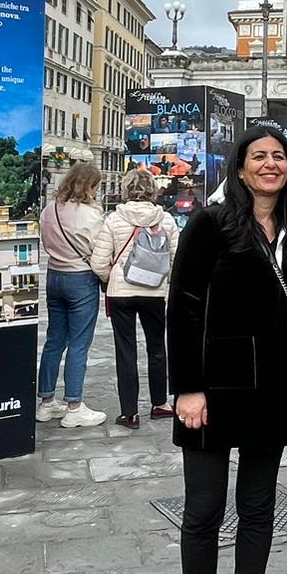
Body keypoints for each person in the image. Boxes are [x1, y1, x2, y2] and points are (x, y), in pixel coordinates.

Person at [168, 127, 287, 574]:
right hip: (214, 388)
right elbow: (184, 304)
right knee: (203, 512)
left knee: (257, 510)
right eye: (260, 156)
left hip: (271, 391)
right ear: (242, 166)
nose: (271, 164)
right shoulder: (212, 221)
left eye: (279, 156)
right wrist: (187, 388)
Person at [91, 166, 180, 429]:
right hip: (154, 292)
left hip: (122, 294)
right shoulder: (165, 220)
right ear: (153, 190)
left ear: (126, 190)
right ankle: (160, 403)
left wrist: (113, 278)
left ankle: (129, 412)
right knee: (157, 347)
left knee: (125, 350)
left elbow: (98, 263)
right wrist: (165, 282)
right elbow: (178, 259)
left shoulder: (114, 219)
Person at [35, 162, 107, 428]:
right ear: (88, 187)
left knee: (54, 341)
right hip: (80, 279)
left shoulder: (48, 210)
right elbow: (99, 251)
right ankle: (74, 406)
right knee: (78, 344)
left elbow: (46, 241)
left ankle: (46, 403)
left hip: (54, 276)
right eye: (96, 187)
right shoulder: (90, 215)